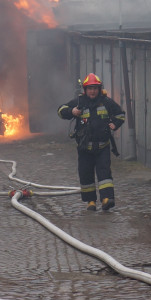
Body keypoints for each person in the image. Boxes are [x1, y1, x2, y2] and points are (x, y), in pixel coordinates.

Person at [57, 73, 126, 212]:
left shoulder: (106, 102)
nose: (92, 91)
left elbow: (121, 114)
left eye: (95, 88)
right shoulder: (79, 102)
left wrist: (115, 124)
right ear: (85, 90)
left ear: (99, 89)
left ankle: (107, 199)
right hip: (84, 148)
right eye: (90, 88)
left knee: (104, 173)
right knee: (86, 174)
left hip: (102, 147)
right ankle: (91, 202)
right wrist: (72, 111)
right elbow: (60, 111)